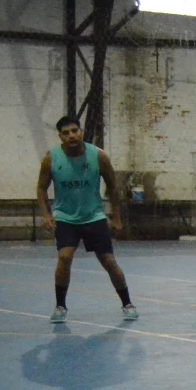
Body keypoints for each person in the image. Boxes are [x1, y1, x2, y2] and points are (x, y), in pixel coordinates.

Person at [36, 116, 137, 323]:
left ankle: (127, 303)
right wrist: (46, 215)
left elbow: (113, 186)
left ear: (81, 132)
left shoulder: (98, 156)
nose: (72, 135)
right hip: (65, 217)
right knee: (64, 258)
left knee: (109, 261)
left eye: (75, 130)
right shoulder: (51, 158)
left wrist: (116, 217)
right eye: (66, 133)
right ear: (60, 137)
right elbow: (41, 188)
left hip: (94, 216)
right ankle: (60, 306)